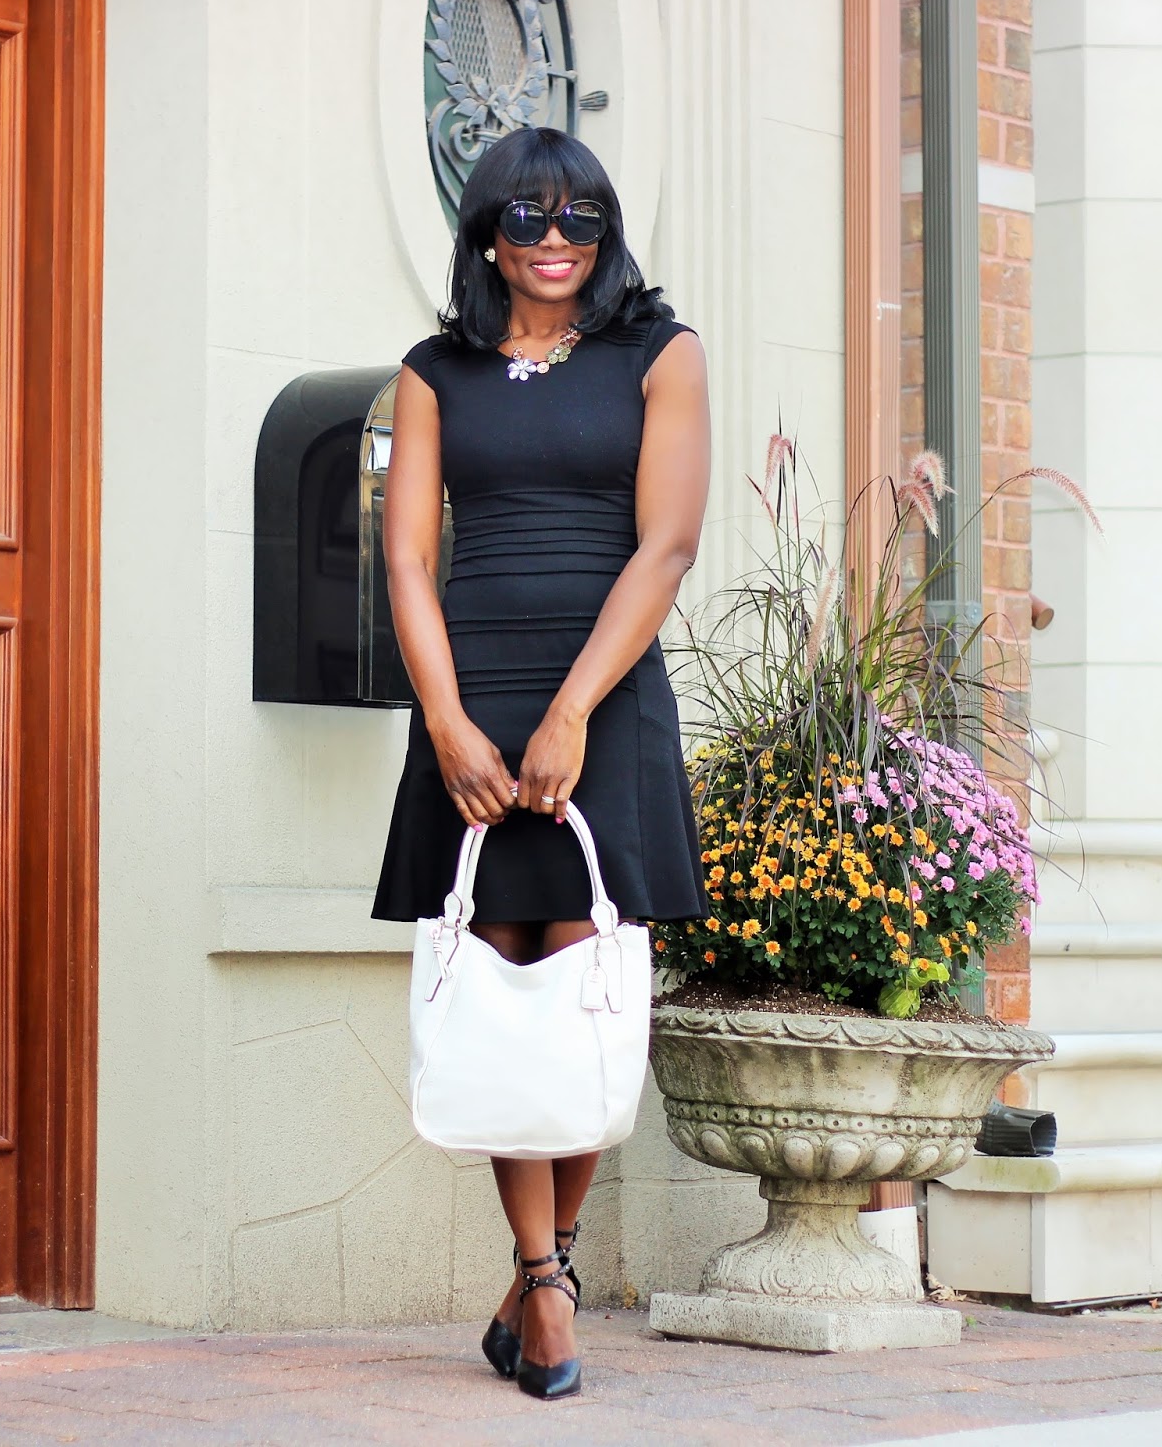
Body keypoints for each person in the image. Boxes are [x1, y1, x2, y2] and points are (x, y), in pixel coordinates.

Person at [371, 126, 710, 1400]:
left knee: (575, 976)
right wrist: (450, 721)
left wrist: (571, 710)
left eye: (579, 221)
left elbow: (666, 546)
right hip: (473, 683)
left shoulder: (657, 354)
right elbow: (407, 558)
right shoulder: (433, 369)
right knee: (502, 962)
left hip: (602, 691)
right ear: (487, 236)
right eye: (528, 221)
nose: (555, 244)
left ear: (606, 231)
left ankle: (543, 1277)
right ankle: (543, 1268)